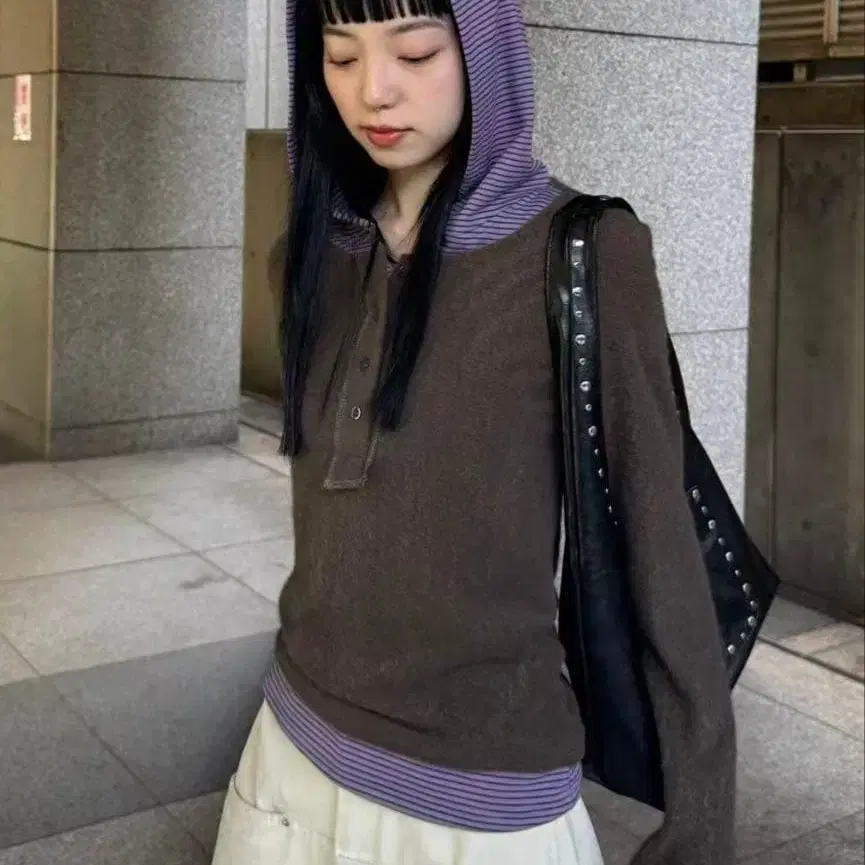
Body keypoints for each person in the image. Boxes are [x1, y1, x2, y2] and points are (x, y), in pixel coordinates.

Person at [212, 1, 737, 863]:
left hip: (482, 792)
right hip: (289, 749)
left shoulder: (586, 253)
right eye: (340, 57)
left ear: (485, 51)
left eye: (415, 53)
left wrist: (698, 821)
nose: (373, 91)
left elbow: (661, 549)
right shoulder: (308, 257)